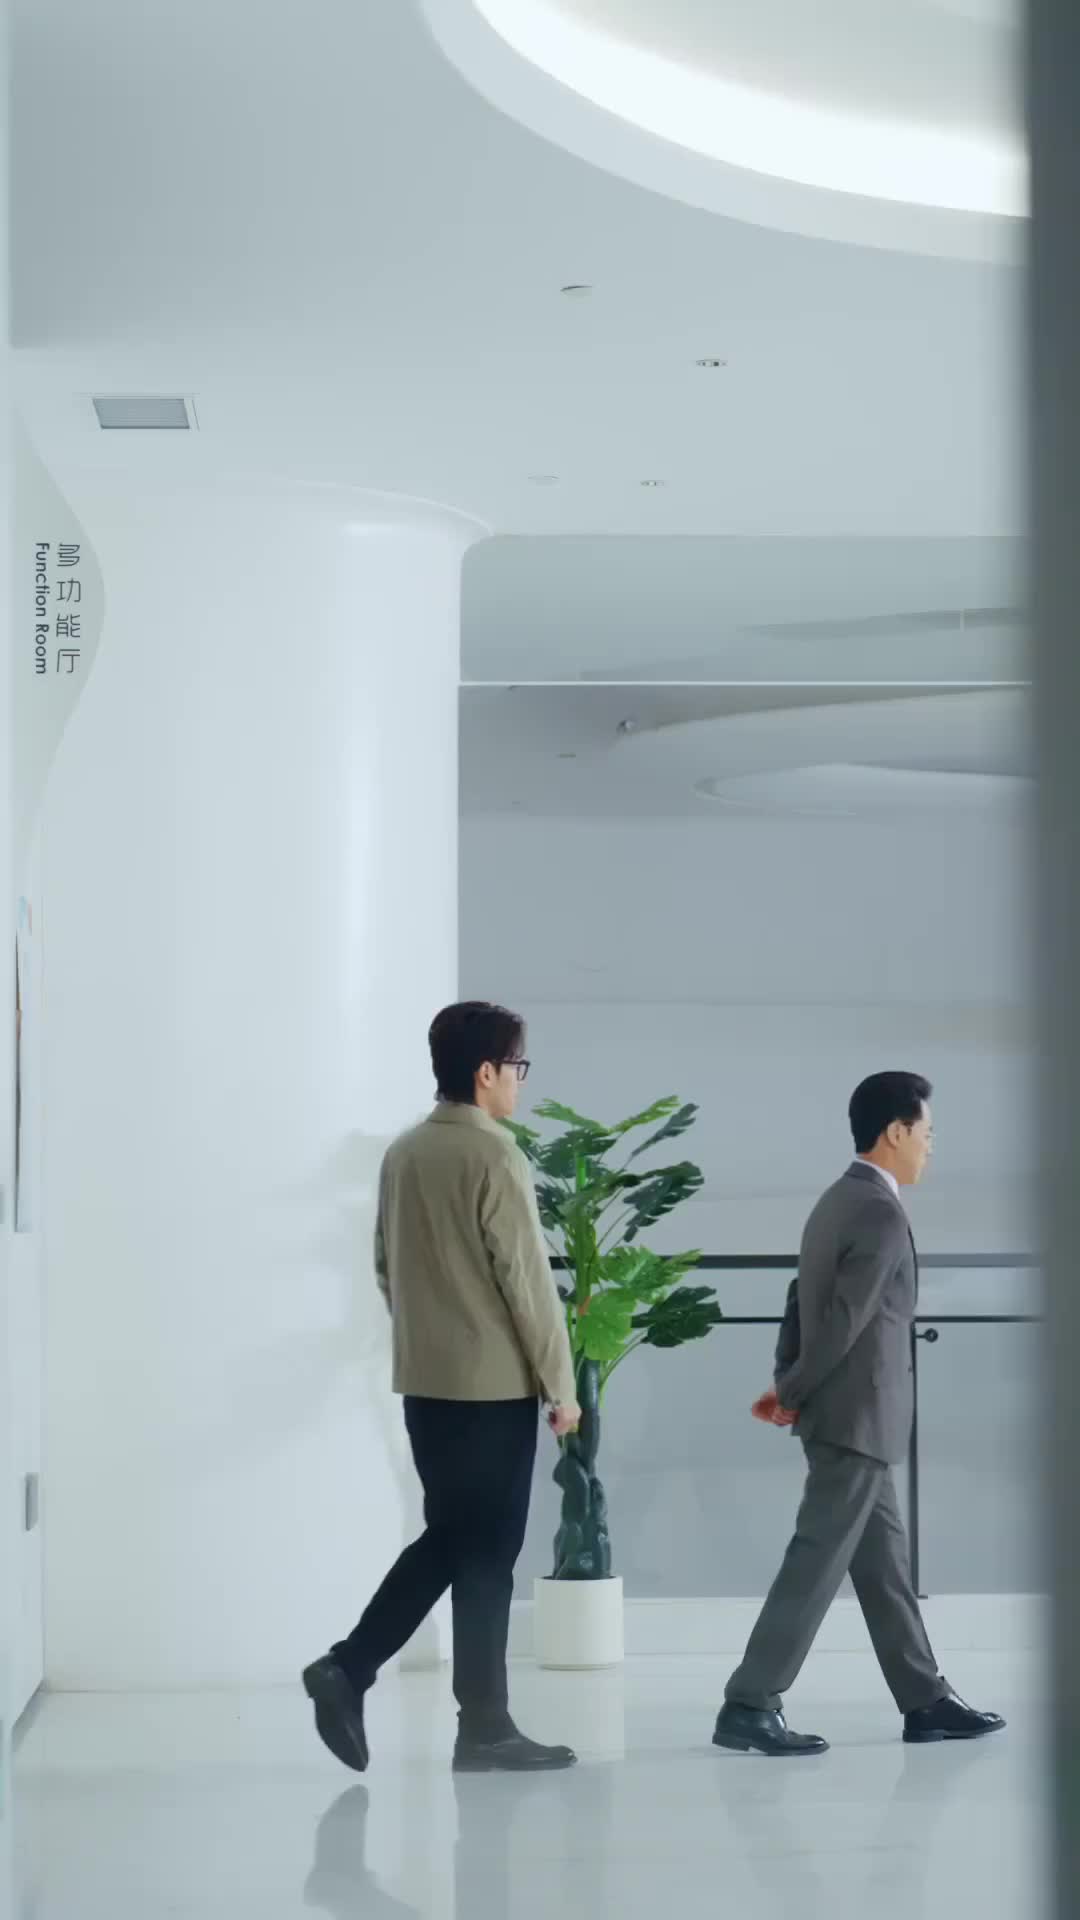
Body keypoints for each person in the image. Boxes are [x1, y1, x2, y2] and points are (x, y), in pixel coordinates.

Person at [303, 1001, 581, 1775]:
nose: (520, 1081)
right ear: (486, 1072)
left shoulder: (405, 1152)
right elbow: (527, 1284)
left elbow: (385, 1266)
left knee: (454, 1538)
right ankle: (452, 1713)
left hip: (425, 1385)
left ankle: (368, 1677)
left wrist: (430, 1338)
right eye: (517, 1066)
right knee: (484, 1551)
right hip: (492, 1389)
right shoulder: (494, 1154)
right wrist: (560, 1385)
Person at [713, 1071, 1006, 1757]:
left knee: (885, 1569)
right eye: (927, 1132)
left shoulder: (837, 1200)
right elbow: (845, 1320)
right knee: (815, 1560)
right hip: (856, 1417)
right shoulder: (879, 1211)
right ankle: (750, 1702)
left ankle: (926, 1700)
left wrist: (786, 1380)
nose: (931, 1145)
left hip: (848, 1415)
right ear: (896, 1131)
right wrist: (792, 1390)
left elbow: (800, 1298)